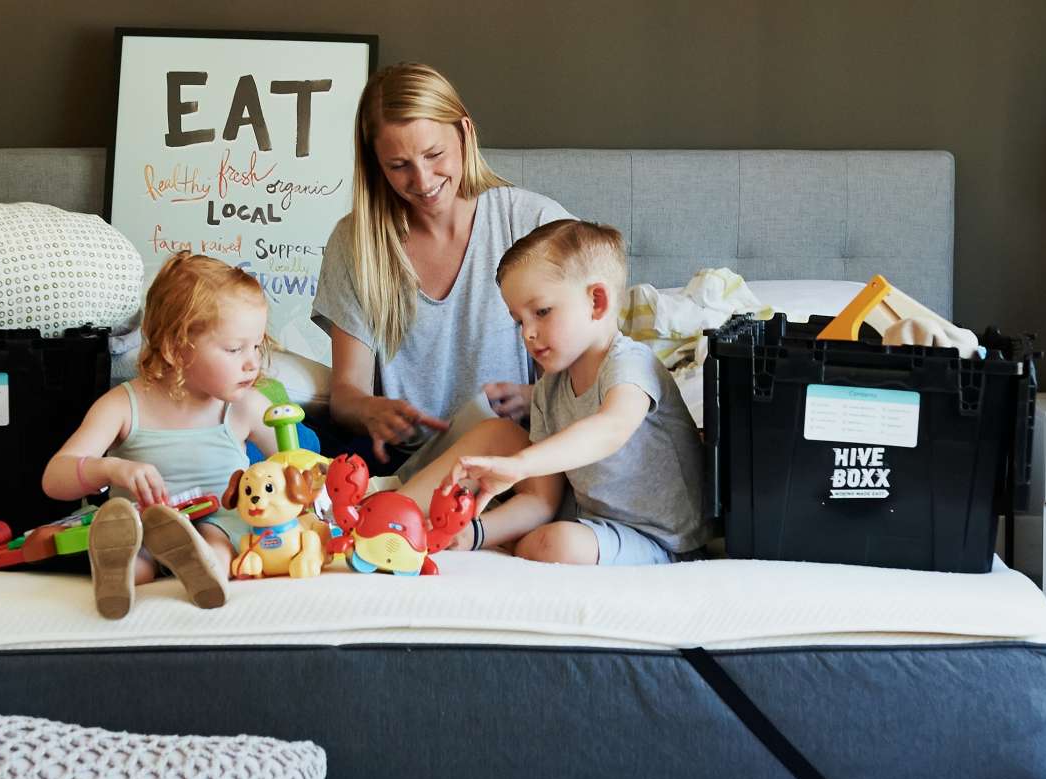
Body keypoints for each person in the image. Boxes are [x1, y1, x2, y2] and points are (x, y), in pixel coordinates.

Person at [312, 62, 573, 552]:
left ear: (465, 133)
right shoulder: (356, 243)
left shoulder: (532, 222)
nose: (423, 179)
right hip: (402, 461)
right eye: (398, 166)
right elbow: (345, 393)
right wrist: (371, 409)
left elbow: (588, 367)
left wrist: (531, 395)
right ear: (374, 164)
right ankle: (383, 522)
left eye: (435, 155)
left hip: (509, 465)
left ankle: (385, 530)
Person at [450, 220, 708, 565]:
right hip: (596, 527)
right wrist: (474, 532)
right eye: (519, 320)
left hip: (665, 542)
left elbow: (610, 430)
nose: (527, 333)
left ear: (596, 301)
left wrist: (520, 464)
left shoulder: (629, 364)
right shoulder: (548, 390)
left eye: (541, 312)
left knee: (558, 544)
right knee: (549, 533)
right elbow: (542, 500)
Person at [42, 253, 278, 617]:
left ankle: (203, 568)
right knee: (137, 549)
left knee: (217, 536)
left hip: (218, 520)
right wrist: (111, 470)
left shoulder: (245, 406)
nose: (252, 362)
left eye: (257, 346)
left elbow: (296, 464)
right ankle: (119, 574)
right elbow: (55, 478)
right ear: (175, 347)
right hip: (144, 525)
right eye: (235, 349)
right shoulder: (123, 405)